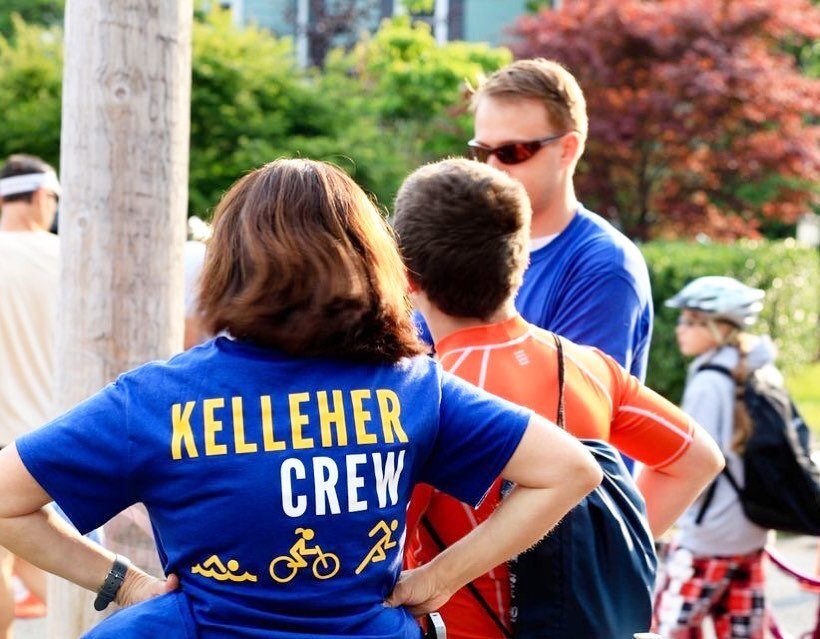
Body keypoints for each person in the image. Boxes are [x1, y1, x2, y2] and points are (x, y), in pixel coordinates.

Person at [0, 158, 602, 639]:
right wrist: (440, 579)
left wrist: (125, 586)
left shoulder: (155, 397)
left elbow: (6, 499)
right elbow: (570, 469)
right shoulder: (413, 385)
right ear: (370, 262)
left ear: (229, 265)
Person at [392, 158, 724, 639]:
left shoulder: (419, 393)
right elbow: (697, 460)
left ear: (406, 275)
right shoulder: (590, 368)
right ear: (522, 257)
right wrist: (607, 551)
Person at [463, 58, 653, 381]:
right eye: (482, 152)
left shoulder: (605, 266)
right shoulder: (461, 251)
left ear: (568, 149)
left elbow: (571, 415)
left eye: (513, 152)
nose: (492, 167)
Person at [653, 276, 773, 639]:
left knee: (666, 627)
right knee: (741, 631)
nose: (680, 329)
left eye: (691, 321)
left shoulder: (709, 381)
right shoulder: (761, 369)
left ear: (717, 328)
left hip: (709, 537)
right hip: (751, 529)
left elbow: (694, 463)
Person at [0, 153, 62, 636]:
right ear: (41, 196)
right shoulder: (69, 257)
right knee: (61, 559)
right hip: (55, 437)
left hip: (3, 439)